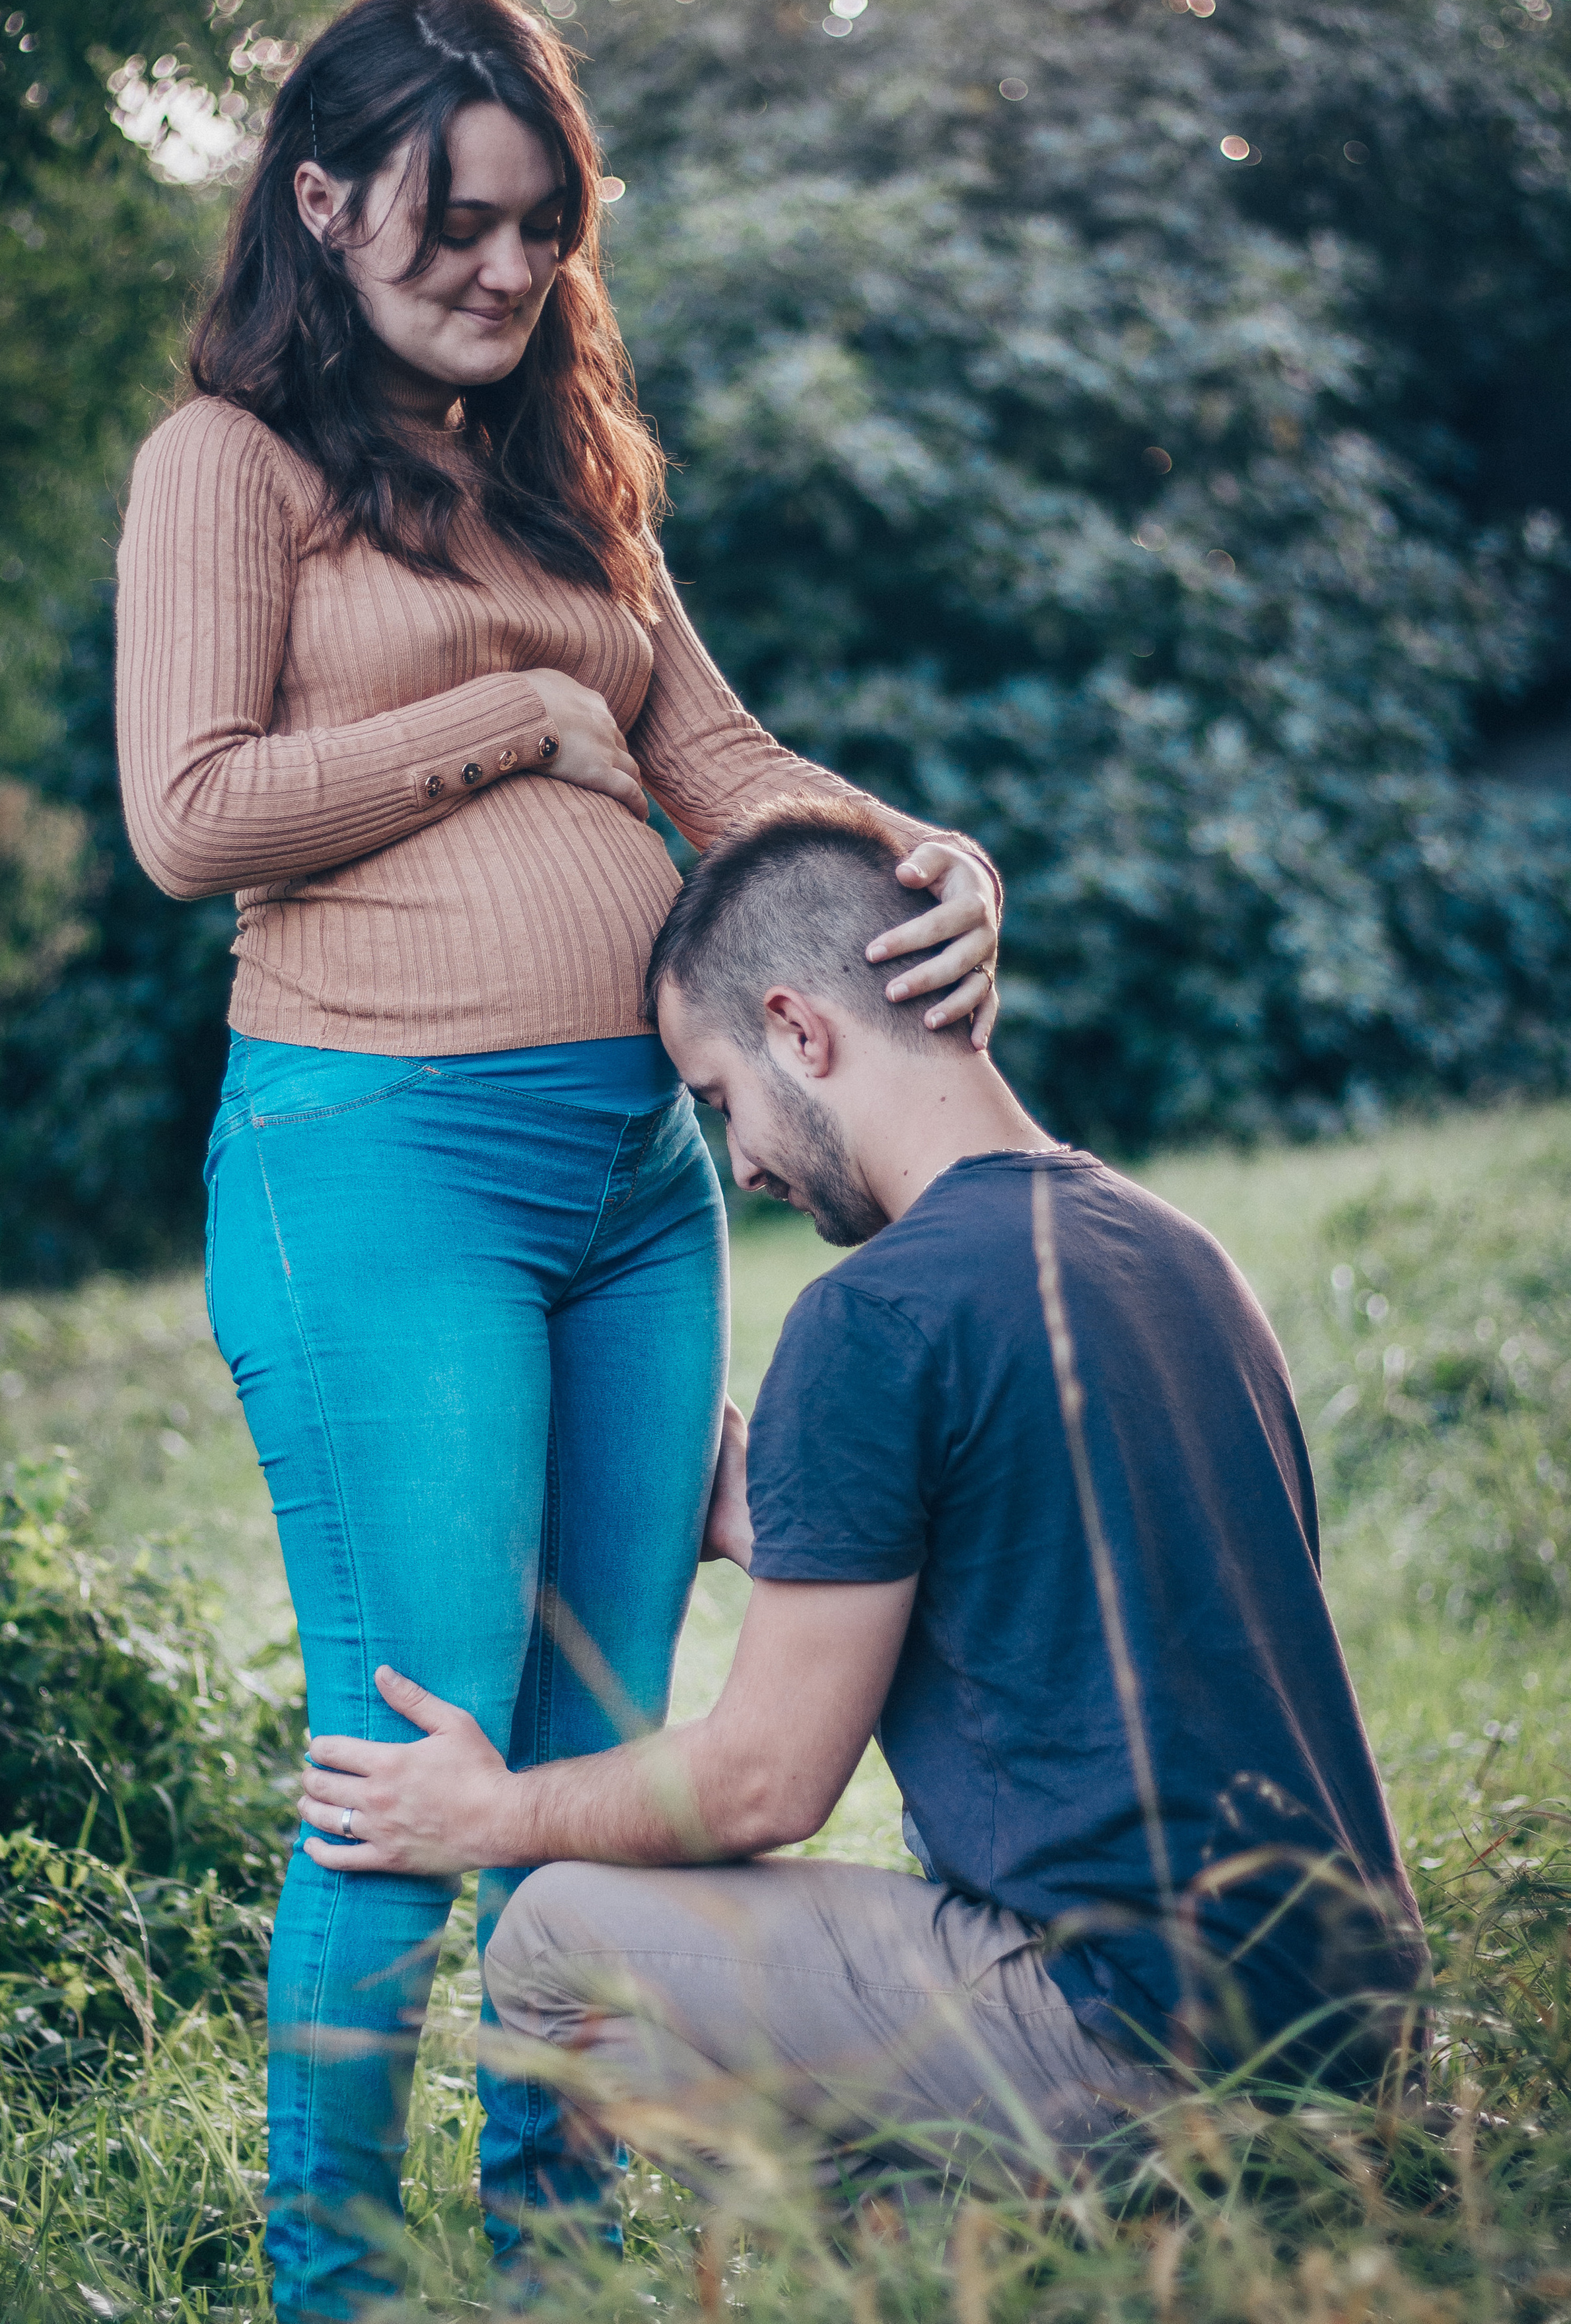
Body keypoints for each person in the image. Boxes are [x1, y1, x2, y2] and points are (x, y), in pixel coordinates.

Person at [114, 0, 1002, 2317]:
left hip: (637, 1193)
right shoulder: (231, 464)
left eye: (541, 231)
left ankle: (555, 2256)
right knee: (415, 1751)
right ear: (321, 203)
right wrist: (506, 717)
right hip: (381, 1172)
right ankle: (340, 2283)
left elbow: (723, 765)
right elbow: (186, 815)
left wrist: (922, 852)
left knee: (587, 1750)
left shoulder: (564, 469)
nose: (507, 276)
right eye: (454, 228)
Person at [294, 797, 1430, 2227]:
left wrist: (488, 1810)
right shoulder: (1175, 1252)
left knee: (550, 1935)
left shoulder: (872, 1315)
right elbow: (1088, 1572)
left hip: (1139, 2046)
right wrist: (777, 1514)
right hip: (1362, 2041)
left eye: (718, 1102)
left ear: (799, 1030)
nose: (744, 1165)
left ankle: (974, 2251)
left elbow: (765, 1784)